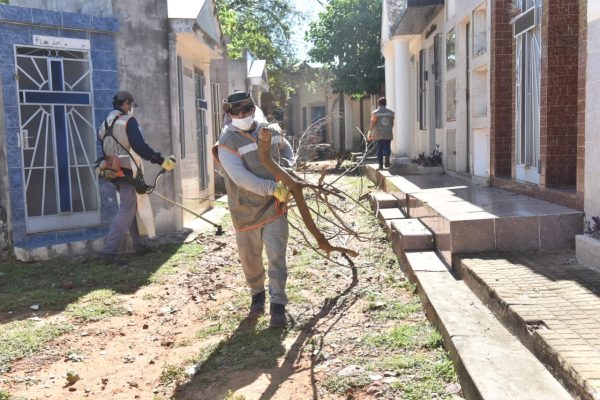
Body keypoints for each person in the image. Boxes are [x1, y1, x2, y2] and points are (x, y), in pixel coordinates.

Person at [213, 92, 295, 328]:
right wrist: (274, 188)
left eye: (245, 110)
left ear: (252, 109)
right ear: (229, 114)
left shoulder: (271, 131)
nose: (241, 115)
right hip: (245, 209)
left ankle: (278, 306)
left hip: (274, 207)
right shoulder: (227, 142)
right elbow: (240, 178)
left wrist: (289, 170)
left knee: (277, 256)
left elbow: (287, 149)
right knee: (250, 259)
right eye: (236, 112)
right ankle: (257, 294)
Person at [97, 91, 176, 263]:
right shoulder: (127, 121)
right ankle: (108, 251)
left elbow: (104, 149)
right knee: (127, 208)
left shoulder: (104, 123)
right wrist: (161, 160)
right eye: (131, 105)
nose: (131, 108)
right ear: (126, 103)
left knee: (129, 205)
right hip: (127, 171)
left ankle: (138, 244)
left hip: (111, 171)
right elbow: (140, 147)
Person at [367, 97, 395, 169]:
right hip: (388, 133)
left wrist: (369, 132)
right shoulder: (391, 113)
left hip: (378, 133)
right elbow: (392, 123)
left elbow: (372, 123)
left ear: (379, 104)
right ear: (385, 103)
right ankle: (387, 158)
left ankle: (380, 165)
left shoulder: (375, 113)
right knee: (387, 146)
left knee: (380, 148)